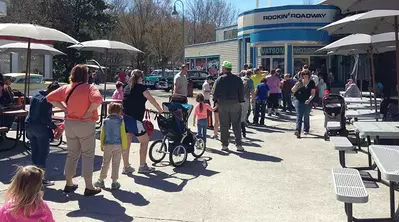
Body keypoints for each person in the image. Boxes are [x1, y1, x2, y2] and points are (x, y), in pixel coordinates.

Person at [47, 64, 102, 196]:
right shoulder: (90, 88)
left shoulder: (66, 88)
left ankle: (69, 182)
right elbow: (97, 100)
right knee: (87, 155)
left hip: (70, 122)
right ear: (85, 75)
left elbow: (49, 98)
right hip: (85, 123)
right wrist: (89, 112)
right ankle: (89, 186)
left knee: (72, 154)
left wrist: (65, 108)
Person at [122, 70, 163, 174]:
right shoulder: (141, 88)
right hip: (135, 120)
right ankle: (142, 166)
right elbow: (151, 99)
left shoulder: (126, 87)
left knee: (127, 143)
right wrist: (160, 110)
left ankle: (126, 167)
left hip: (125, 119)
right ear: (141, 78)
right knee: (144, 141)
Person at [26, 82, 62, 186]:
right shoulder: (47, 100)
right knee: (42, 153)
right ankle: (40, 179)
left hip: (29, 125)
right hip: (40, 128)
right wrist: (55, 127)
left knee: (35, 152)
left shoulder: (36, 95)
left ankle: (32, 177)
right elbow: (44, 118)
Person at [212, 61, 244, 151]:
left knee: (224, 125)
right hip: (235, 103)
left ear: (224, 68)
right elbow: (241, 92)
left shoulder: (220, 79)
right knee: (236, 124)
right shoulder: (237, 79)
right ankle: (238, 145)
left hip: (223, 104)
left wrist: (216, 101)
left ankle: (225, 145)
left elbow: (215, 93)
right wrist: (240, 100)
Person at [95, 103, 127, 190]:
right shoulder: (121, 121)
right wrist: (124, 146)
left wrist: (102, 144)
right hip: (118, 145)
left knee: (105, 163)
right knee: (116, 164)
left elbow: (102, 134)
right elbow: (123, 135)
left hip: (108, 144)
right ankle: (114, 182)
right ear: (119, 111)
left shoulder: (105, 121)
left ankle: (101, 180)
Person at [292, 69, 316, 139]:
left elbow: (313, 93)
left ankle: (306, 129)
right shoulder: (299, 82)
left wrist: (309, 99)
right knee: (299, 115)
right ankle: (298, 131)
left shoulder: (311, 82)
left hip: (308, 101)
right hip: (298, 100)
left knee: (306, 115)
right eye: (304, 75)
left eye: (306, 75)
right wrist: (296, 86)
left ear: (309, 76)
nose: (305, 77)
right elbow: (293, 90)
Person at [241, 70, 254, 138]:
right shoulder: (250, 81)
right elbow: (252, 91)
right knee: (243, 115)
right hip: (245, 98)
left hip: (238, 98)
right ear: (250, 74)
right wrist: (253, 99)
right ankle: (243, 130)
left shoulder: (240, 79)